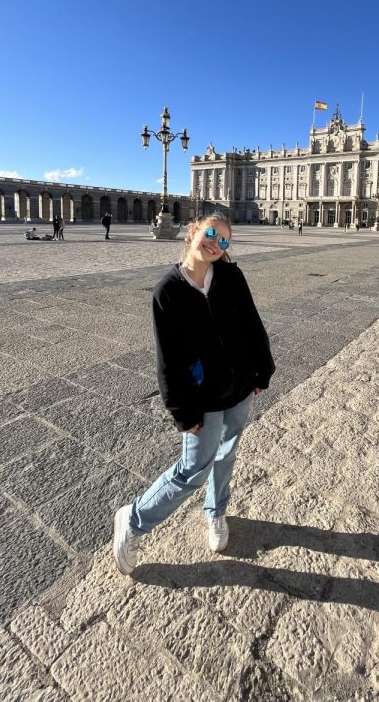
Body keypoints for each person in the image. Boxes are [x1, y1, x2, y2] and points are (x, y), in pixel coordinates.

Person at [113, 213, 275, 576]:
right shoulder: (166, 291)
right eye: (212, 233)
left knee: (228, 451)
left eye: (225, 240)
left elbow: (252, 323)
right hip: (202, 398)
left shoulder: (231, 276)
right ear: (193, 232)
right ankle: (134, 519)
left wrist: (262, 369)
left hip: (240, 386)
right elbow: (166, 360)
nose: (217, 243)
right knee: (192, 470)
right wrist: (181, 411)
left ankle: (216, 513)